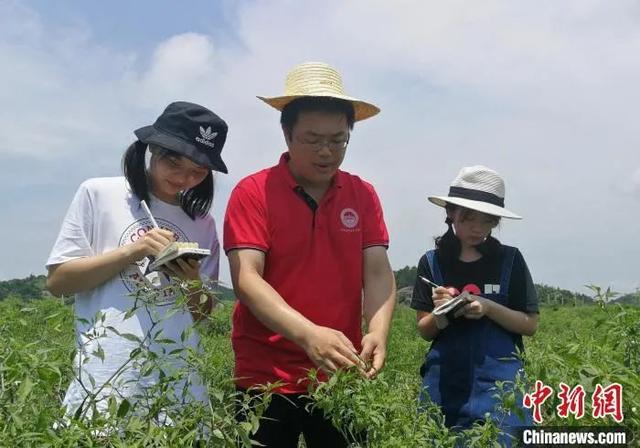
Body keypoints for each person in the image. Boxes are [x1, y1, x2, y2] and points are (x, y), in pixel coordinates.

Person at [223, 62, 396, 447]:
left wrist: (378, 332)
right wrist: (307, 334)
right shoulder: (253, 192)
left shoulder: (362, 194)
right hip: (265, 377)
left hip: (341, 370)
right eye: (312, 139)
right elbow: (247, 278)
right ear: (287, 134)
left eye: (338, 140)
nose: (326, 151)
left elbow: (378, 273)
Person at [46, 101, 229, 421]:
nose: (184, 178)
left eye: (198, 171)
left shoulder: (203, 223)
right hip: (106, 376)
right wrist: (134, 250)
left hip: (178, 381)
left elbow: (200, 315)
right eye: (174, 163)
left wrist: (191, 280)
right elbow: (59, 282)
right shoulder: (99, 194)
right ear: (152, 150)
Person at [411, 165, 538, 444]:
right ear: (450, 212)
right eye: (468, 218)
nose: (477, 228)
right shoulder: (432, 262)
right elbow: (425, 330)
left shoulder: (510, 260)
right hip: (444, 386)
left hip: (500, 387)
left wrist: (488, 307)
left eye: (487, 221)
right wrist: (442, 312)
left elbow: (530, 324)